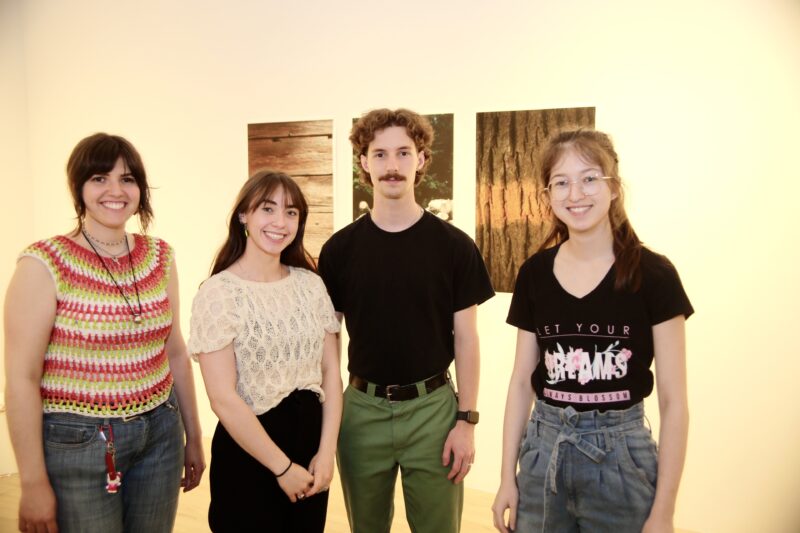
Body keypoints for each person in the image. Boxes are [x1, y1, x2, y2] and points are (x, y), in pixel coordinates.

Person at [491, 128, 693, 533]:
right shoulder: (535, 274)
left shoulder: (654, 275)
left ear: (614, 188)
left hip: (622, 461)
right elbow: (520, 383)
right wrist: (505, 478)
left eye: (589, 178)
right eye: (560, 182)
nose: (575, 194)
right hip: (542, 453)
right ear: (547, 194)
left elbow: (674, 402)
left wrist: (664, 512)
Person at [3, 133, 205, 533]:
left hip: (161, 432)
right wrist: (32, 482)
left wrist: (195, 437)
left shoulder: (159, 256)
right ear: (78, 187)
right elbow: (21, 380)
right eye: (99, 178)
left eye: (127, 179)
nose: (115, 190)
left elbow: (175, 352)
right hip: (79, 444)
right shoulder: (44, 263)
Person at [318, 108, 495, 533]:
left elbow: (467, 340)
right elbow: (328, 342)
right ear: (363, 162)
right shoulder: (339, 251)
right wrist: (329, 417)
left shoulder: (454, 247)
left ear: (422, 159)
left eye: (403, 153)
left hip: (433, 411)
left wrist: (466, 422)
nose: (392, 166)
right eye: (379, 154)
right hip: (361, 411)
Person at [187, 170, 341, 533]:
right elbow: (222, 397)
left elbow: (331, 374)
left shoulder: (311, 284)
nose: (280, 222)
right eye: (267, 209)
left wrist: (327, 451)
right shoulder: (219, 292)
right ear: (244, 215)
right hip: (251, 454)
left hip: (310, 449)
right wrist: (282, 468)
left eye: (291, 212)